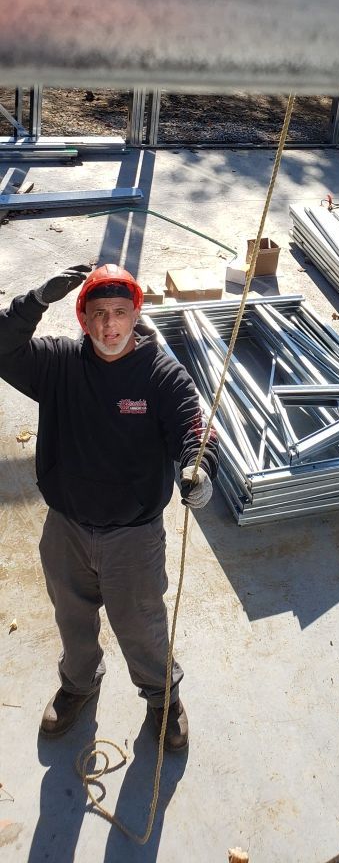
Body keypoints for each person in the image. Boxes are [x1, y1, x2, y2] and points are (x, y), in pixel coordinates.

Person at [0, 262, 219, 751]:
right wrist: (35, 299)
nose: (109, 325)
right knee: (72, 618)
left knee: (142, 625)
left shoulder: (161, 374)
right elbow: (3, 347)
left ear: (136, 313)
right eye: (97, 313)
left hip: (133, 538)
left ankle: (163, 698)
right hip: (67, 529)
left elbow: (193, 428)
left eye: (120, 312)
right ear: (82, 318)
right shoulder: (58, 364)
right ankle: (79, 683)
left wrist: (201, 468)